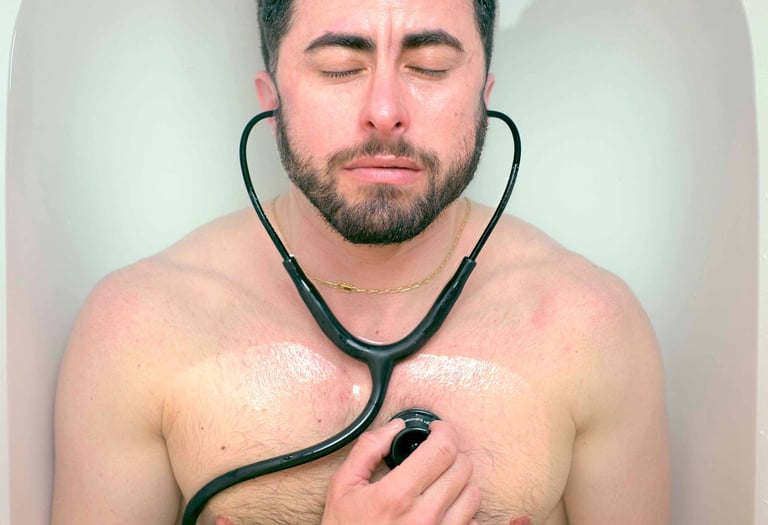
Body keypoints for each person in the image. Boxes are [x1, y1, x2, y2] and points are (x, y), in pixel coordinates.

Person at [51, 0, 670, 523]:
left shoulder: (592, 329)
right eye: (341, 67)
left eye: (429, 66)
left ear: (484, 95)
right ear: (272, 103)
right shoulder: (138, 330)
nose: (384, 109)